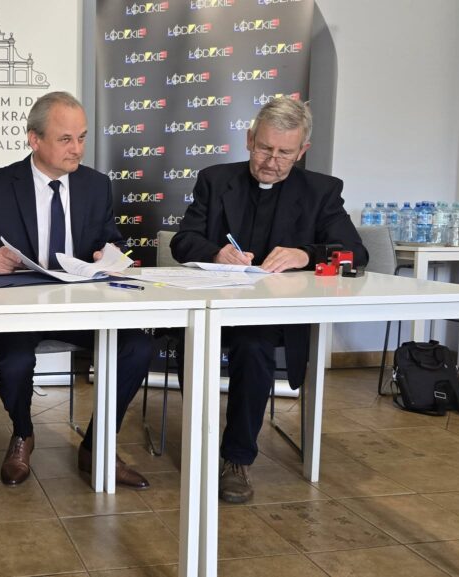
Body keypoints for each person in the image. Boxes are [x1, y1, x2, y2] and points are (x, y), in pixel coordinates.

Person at [170, 97, 367, 503]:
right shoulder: (214, 180)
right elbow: (182, 241)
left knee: (254, 344)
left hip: (273, 317)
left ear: (302, 151)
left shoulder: (321, 191)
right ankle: (200, 441)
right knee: (195, 337)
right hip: (215, 308)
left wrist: (305, 254)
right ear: (249, 140)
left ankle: (237, 458)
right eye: (264, 148)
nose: (272, 162)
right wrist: (215, 252)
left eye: (284, 153)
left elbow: (355, 253)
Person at [0, 92, 153, 489]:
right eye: (66, 139)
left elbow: (114, 242)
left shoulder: (96, 185)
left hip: (80, 307)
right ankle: (23, 433)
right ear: (34, 139)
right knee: (14, 362)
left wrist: (111, 255)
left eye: (82, 137)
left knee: (138, 347)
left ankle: (96, 446)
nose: (77, 148)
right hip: (18, 310)